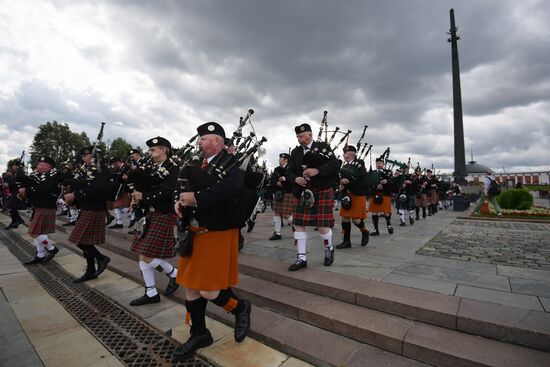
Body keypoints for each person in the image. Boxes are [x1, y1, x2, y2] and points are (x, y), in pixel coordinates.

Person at [173, 122, 251, 362]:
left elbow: (230, 189)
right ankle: (199, 333)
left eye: (204, 139)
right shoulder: (197, 164)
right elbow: (183, 186)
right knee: (191, 286)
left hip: (218, 231)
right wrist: (179, 201)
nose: (199, 143)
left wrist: (196, 199)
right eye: (200, 139)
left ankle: (240, 308)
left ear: (218, 141)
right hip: (194, 231)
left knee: (208, 290)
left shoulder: (233, 166)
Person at [129, 137, 180, 306]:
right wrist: (138, 197)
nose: (150, 153)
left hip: (164, 213)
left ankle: (175, 274)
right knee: (142, 255)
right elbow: (146, 186)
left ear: (164, 150)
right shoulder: (152, 168)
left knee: (147, 255)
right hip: (149, 214)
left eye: (153, 150)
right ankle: (151, 292)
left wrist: (145, 196)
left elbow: (167, 191)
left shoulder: (174, 169)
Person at [285, 123, 340, 271]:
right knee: (299, 225)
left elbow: (335, 164)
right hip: (302, 192)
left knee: (322, 226)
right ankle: (301, 258)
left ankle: (329, 248)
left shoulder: (322, 147)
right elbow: (289, 172)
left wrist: (317, 170)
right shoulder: (296, 152)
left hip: (320, 190)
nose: (299, 139)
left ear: (310, 134)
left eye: (302, 136)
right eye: (297, 136)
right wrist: (295, 179)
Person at [65, 146, 111, 282]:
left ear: (94, 155)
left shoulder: (101, 168)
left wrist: (75, 194)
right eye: (83, 156)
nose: (84, 158)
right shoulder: (88, 169)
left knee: (79, 239)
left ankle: (102, 258)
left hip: (95, 207)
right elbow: (85, 183)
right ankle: (91, 269)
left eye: (86, 156)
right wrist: (71, 182)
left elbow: (96, 188)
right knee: (83, 240)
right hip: (86, 207)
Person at [18, 157, 61, 264]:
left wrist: (27, 190)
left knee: (33, 232)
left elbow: (43, 188)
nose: (38, 166)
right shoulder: (39, 176)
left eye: (41, 165)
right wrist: (21, 177)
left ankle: (51, 248)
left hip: (46, 206)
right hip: (38, 206)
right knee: (38, 232)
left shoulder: (53, 176)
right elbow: (33, 183)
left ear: (48, 166)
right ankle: (40, 255)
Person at [336, 146, 369, 249]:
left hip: (357, 194)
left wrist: (349, 181)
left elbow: (362, 178)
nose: (344, 155)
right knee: (345, 218)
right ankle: (346, 242)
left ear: (351, 154)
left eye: (345, 153)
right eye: (344, 153)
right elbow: (341, 178)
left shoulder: (360, 164)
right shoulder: (345, 166)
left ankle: (364, 231)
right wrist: (341, 184)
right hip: (347, 195)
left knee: (355, 219)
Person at [268, 153, 295, 240]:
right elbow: (272, 179)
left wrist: (285, 179)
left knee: (285, 214)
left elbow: (294, 179)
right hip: (278, 193)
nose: (279, 160)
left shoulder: (291, 168)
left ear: (286, 160)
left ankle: (295, 225)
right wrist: (276, 182)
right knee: (277, 212)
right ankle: (277, 233)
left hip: (288, 192)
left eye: (281, 158)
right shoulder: (277, 169)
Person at [368, 157, 394, 236]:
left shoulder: (388, 172)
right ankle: (376, 229)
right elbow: (369, 184)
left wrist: (387, 181)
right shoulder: (372, 173)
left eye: (380, 163)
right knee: (374, 212)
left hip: (385, 194)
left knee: (386, 212)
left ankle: (389, 224)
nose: (378, 164)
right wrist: (376, 186)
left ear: (383, 164)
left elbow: (393, 183)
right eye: (377, 163)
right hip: (374, 194)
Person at [107, 157, 132, 229]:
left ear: (117, 162)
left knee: (123, 206)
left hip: (127, 190)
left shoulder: (126, 167)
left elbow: (129, 178)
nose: (114, 166)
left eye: (114, 164)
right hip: (121, 190)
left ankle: (134, 217)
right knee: (116, 206)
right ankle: (119, 222)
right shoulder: (121, 168)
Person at [4, 161, 25, 229]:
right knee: (11, 207)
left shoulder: (19, 172)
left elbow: (19, 181)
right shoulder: (15, 173)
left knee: (10, 207)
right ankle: (14, 222)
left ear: (17, 166)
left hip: (17, 192)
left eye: (14, 166)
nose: (13, 167)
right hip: (13, 192)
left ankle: (18, 220)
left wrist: (9, 184)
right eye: (13, 166)